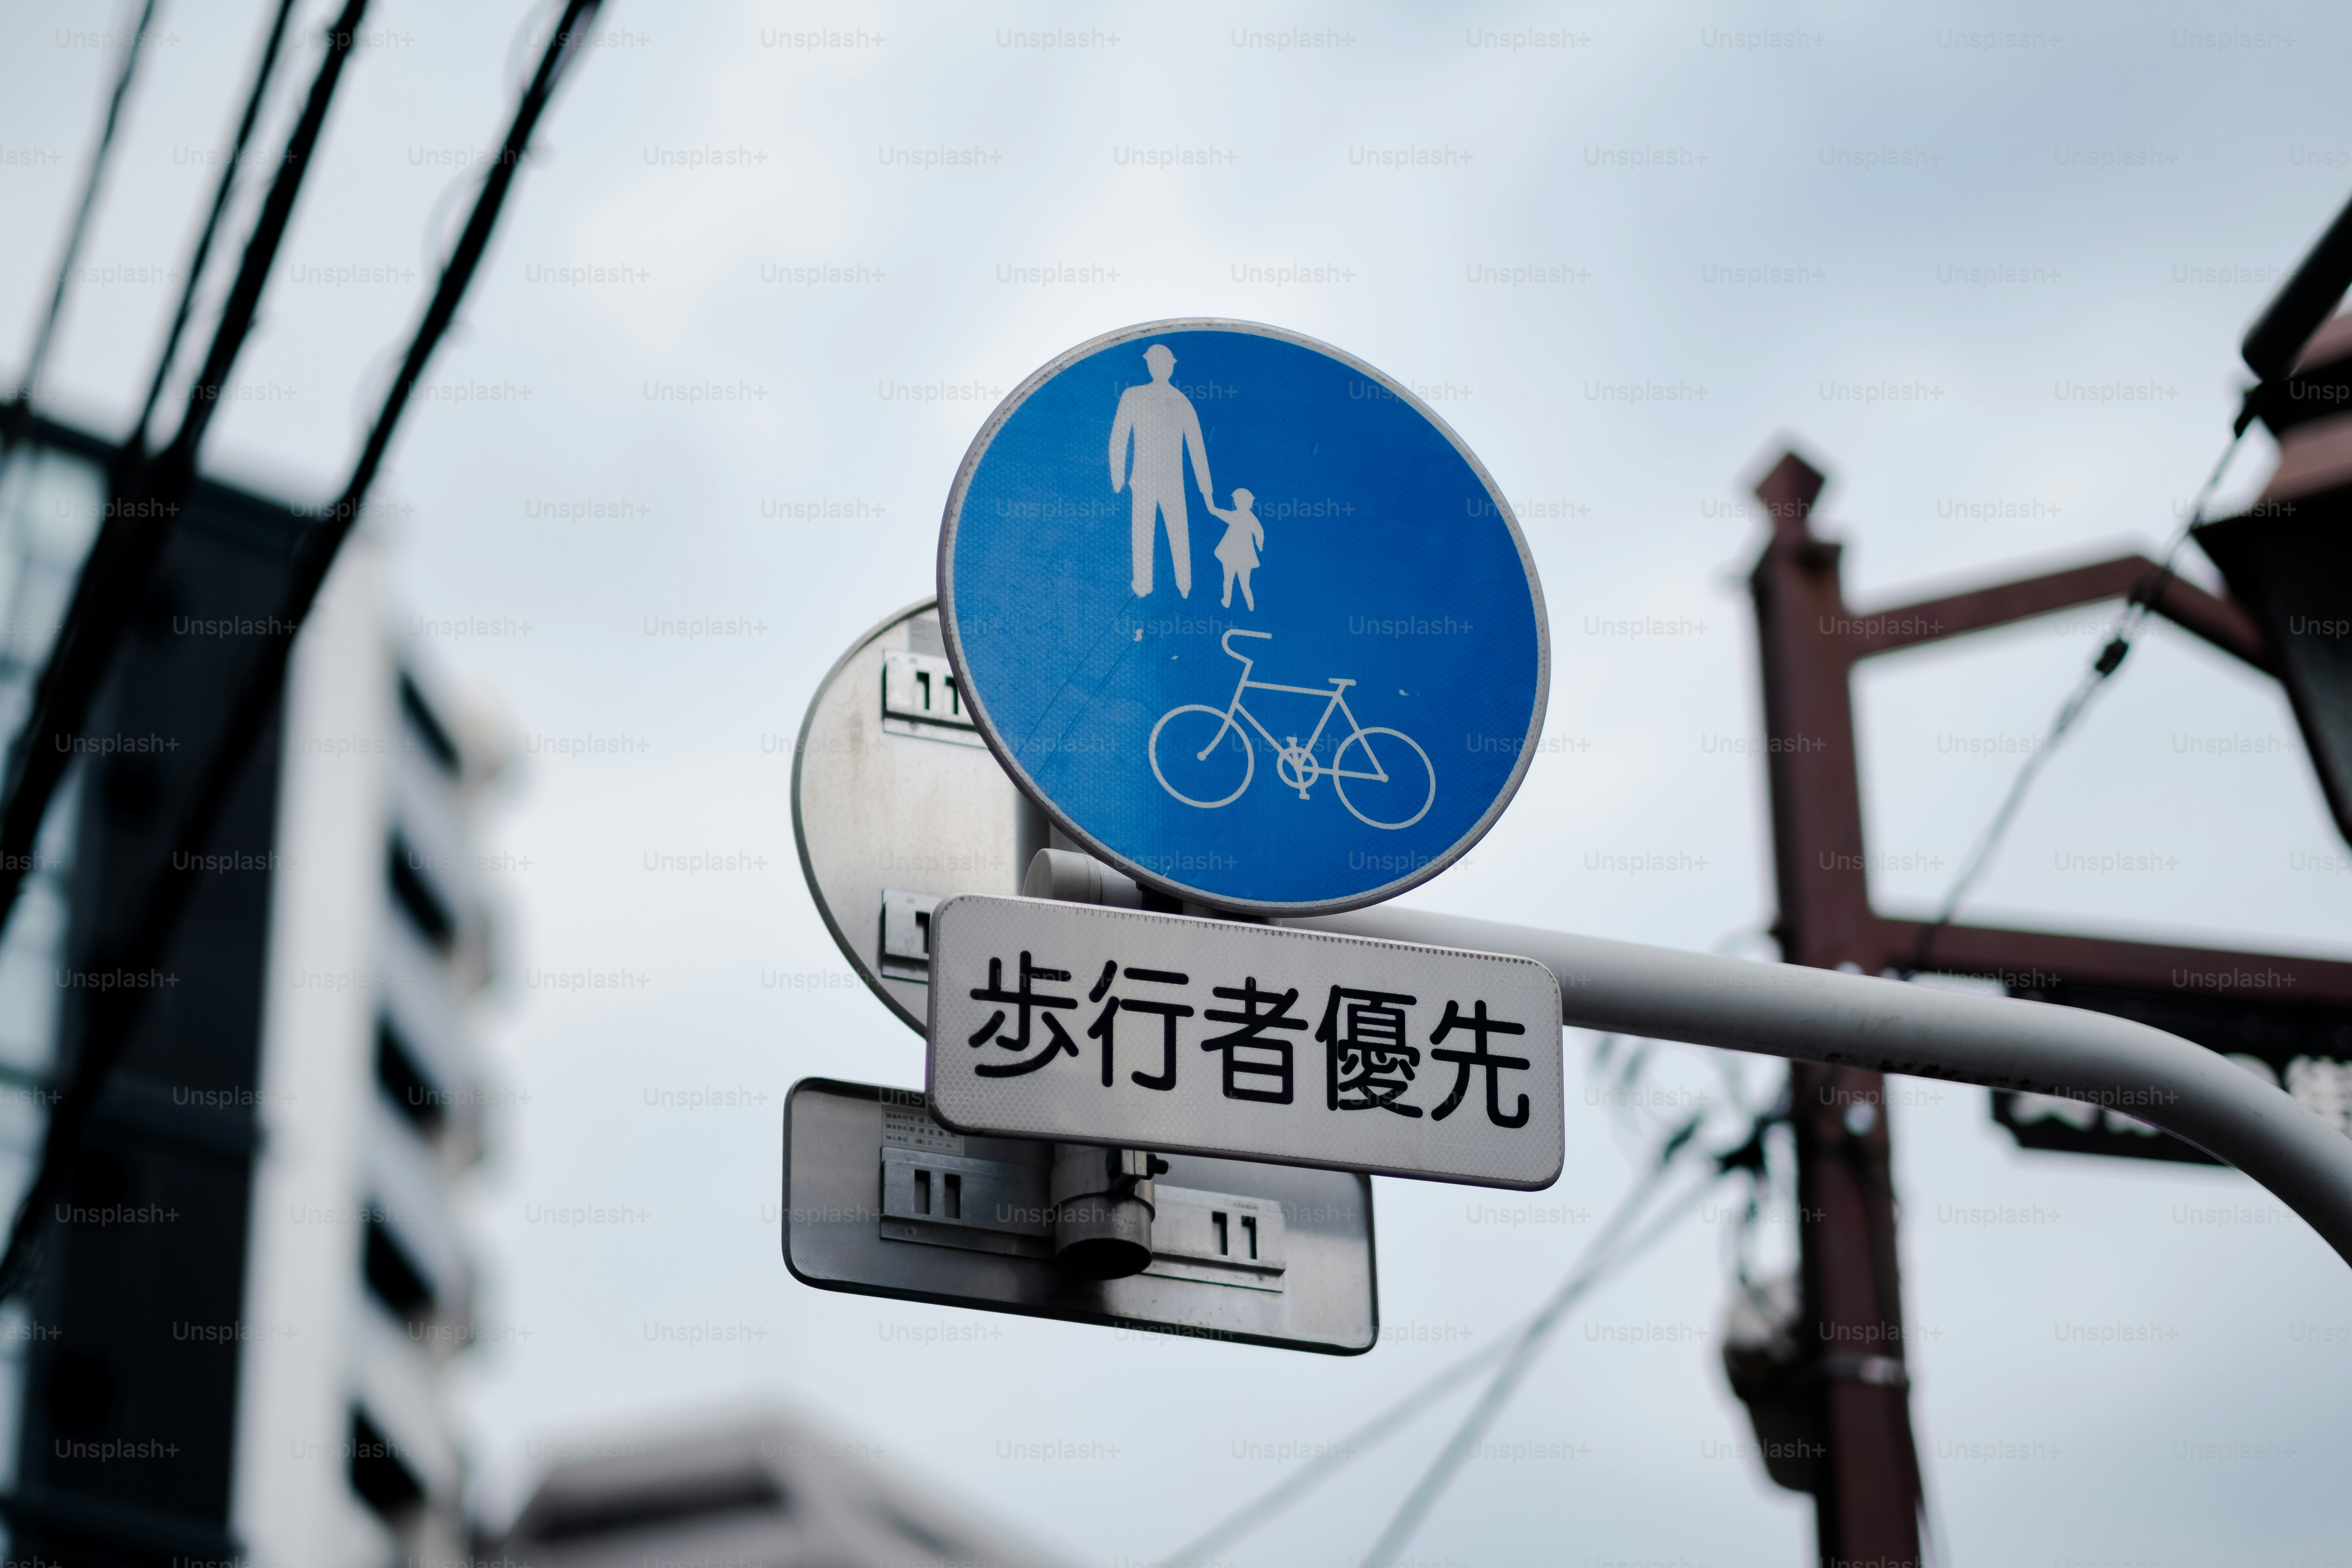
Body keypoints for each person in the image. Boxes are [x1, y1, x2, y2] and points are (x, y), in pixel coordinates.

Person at [1107, 344, 1213, 598]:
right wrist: (1118, 479)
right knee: (1142, 534)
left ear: (1172, 366)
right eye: (1154, 362)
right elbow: (1119, 437)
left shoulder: (1181, 401)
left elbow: (1197, 448)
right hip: (1142, 479)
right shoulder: (1133, 396)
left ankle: (1185, 587)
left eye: (1164, 363)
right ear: (1148, 365)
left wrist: (1207, 492)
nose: (1159, 367)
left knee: (1179, 534)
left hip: (1173, 481)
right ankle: (1143, 586)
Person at [1207, 488, 1265, 611]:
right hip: (1231, 554)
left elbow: (1259, 531)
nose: (1241, 503)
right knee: (1229, 579)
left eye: (1244, 501)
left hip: (1242, 556)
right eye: (1239, 500)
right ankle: (1228, 601)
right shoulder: (1235, 516)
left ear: (1249, 503)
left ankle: (1250, 606)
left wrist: (1260, 544)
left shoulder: (1248, 518)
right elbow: (1214, 511)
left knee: (1244, 583)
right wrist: (1208, 498)